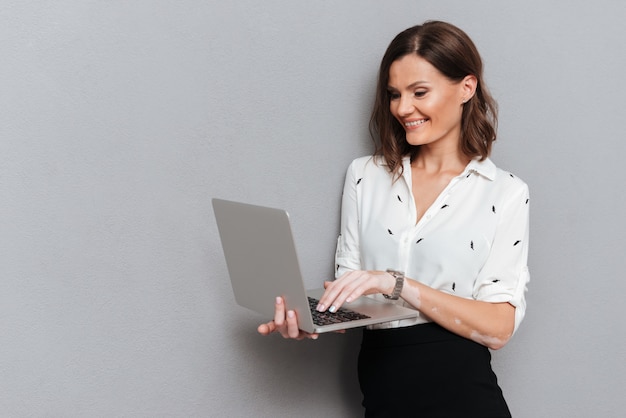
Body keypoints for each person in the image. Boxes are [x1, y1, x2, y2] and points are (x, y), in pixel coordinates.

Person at [258, 20, 529, 417]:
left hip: (464, 394)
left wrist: (397, 283)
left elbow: (499, 327)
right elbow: (354, 290)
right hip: (384, 391)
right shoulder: (365, 176)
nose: (403, 108)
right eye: (394, 94)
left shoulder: (504, 191)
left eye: (419, 92)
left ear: (466, 88)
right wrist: (311, 318)